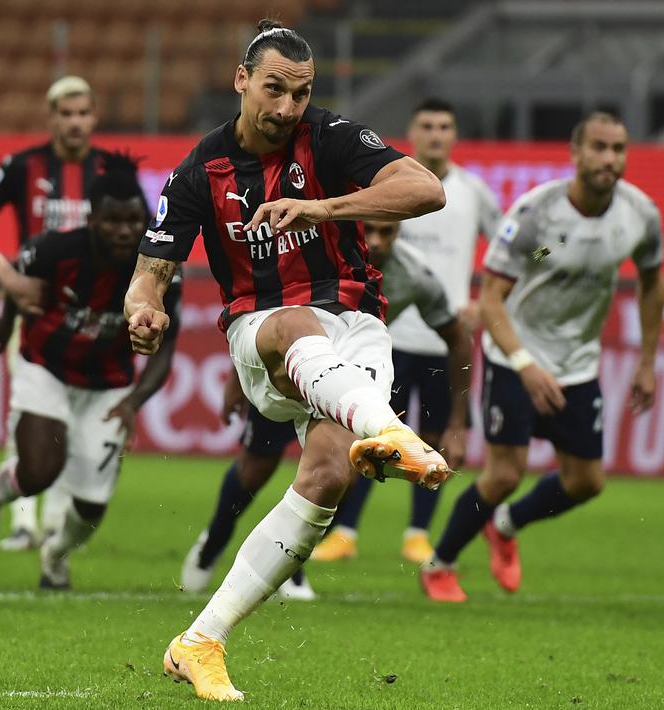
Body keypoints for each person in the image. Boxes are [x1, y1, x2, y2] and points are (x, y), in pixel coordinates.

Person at [125, 20, 450, 701]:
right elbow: (151, 270)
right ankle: (388, 429)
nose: (285, 108)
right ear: (242, 80)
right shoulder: (199, 169)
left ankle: (200, 641)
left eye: (300, 93)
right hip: (262, 331)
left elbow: (426, 190)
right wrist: (142, 307)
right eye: (273, 89)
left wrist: (322, 208)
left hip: (356, 327)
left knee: (328, 476)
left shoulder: (327, 139)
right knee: (297, 323)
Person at [419, 110, 664, 603]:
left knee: (586, 481)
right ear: (575, 153)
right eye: (598, 147)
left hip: (577, 364)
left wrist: (646, 361)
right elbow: (492, 297)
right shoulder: (538, 215)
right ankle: (440, 564)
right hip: (517, 356)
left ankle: (506, 526)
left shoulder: (639, 215)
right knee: (505, 473)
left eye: (618, 149)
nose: (609, 159)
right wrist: (525, 365)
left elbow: (653, 281)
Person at [179, 218, 472, 599]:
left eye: (389, 233)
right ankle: (214, 539)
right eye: (371, 231)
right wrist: (240, 380)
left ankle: (290, 565)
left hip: (346, 382)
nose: (378, 242)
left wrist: (458, 421)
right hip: (291, 374)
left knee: (337, 472)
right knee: (255, 469)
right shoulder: (315, 252)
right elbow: (261, 312)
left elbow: (457, 338)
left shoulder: (415, 275)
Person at [313, 96, 499, 564]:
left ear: (454, 135)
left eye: (445, 126)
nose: (436, 134)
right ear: (413, 134)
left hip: (440, 333)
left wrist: (492, 300)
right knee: (371, 439)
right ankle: (346, 533)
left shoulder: (474, 192)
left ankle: (418, 533)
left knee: (436, 438)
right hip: (385, 336)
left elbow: (525, 254)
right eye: (428, 126)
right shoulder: (392, 184)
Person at [0, 156, 181, 587]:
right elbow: (21, 274)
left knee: (91, 506)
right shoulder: (55, 248)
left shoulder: (159, 272)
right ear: (93, 218)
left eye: (133, 220)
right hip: (46, 368)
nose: (125, 230)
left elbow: (167, 348)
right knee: (38, 471)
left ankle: (56, 553)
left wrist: (132, 402)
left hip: (108, 385)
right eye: (113, 220)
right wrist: (3, 321)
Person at [0, 76, 122, 551]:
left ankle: (50, 529)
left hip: (96, 322)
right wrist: (6, 282)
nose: (75, 122)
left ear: (95, 116)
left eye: (83, 113)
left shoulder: (110, 174)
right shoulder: (23, 167)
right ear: (52, 117)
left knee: (70, 434)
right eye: (66, 113)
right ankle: (22, 520)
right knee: (35, 417)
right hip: (35, 311)